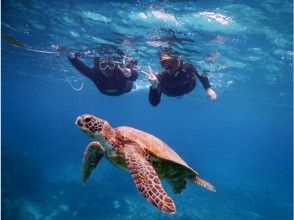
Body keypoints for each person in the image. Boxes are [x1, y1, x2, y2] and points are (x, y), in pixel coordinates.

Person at [144, 49, 217, 106]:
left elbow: (201, 75)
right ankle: (179, 96)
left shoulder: (188, 67)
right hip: (171, 93)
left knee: (201, 72)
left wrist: (208, 89)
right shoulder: (159, 78)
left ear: (180, 62)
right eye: (164, 63)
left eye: (173, 63)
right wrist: (154, 86)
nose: (169, 67)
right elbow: (154, 103)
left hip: (188, 87)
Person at [68, 52, 138, 96]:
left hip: (118, 89)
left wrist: (72, 58)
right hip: (117, 90)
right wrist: (132, 71)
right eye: (103, 65)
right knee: (129, 72)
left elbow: (83, 69)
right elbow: (133, 77)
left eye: (110, 65)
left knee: (128, 73)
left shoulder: (119, 70)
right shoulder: (97, 73)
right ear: (100, 67)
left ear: (114, 66)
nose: (107, 69)